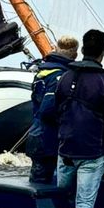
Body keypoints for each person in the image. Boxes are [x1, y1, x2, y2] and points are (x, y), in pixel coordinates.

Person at [48, 29, 104, 208]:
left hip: (65, 150)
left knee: (61, 199)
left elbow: (55, 112)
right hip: (92, 153)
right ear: (103, 52)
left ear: (82, 49)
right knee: (83, 205)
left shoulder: (65, 77)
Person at [26, 36, 78, 184]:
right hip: (48, 139)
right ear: (74, 54)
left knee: (39, 180)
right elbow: (48, 109)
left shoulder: (44, 71)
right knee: (42, 184)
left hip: (38, 135)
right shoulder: (59, 76)